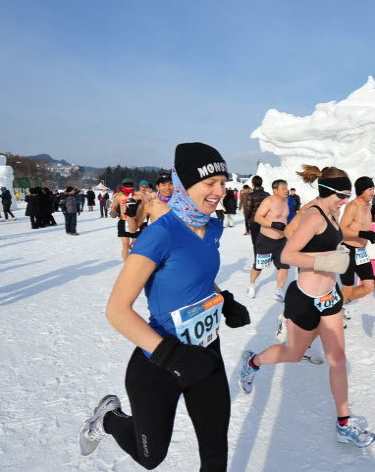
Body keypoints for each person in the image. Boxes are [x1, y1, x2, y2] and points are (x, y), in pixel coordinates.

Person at [78, 142, 250, 470]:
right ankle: (109, 419)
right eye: (210, 183)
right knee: (150, 457)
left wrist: (224, 300)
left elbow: (195, 276)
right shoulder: (160, 235)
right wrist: (172, 355)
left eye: (223, 182)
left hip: (205, 354)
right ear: (185, 184)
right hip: (159, 363)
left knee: (215, 450)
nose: (220, 191)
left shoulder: (212, 227)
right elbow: (116, 309)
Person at [238, 164, 375, 448]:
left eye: (348, 195)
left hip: (330, 297)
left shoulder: (332, 212)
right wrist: (324, 262)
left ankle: (344, 423)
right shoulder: (313, 215)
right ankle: (252, 362)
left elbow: (326, 243)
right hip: (304, 299)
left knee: (337, 359)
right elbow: (288, 254)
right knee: (293, 353)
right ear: (327, 191)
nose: (345, 200)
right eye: (341, 194)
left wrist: (343, 248)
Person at [339, 176, 375, 316]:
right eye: (370, 189)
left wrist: (370, 234)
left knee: (369, 287)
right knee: (347, 288)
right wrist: (363, 234)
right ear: (361, 190)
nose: (373, 192)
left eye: (373, 188)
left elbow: (362, 227)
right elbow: (342, 229)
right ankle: (334, 312)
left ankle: (337, 304)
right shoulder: (352, 206)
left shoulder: (369, 207)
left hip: (361, 252)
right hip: (347, 251)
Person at [246, 179, 290, 301]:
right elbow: (258, 217)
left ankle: (279, 291)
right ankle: (251, 285)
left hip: (282, 240)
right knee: (259, 266)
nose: (286, 190)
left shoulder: (286, 201)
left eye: (286, 188)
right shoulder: (269, 201)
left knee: (284, 266)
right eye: (283, 188)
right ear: (275, 190)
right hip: (267, 239)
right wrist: (273, 224)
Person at [110, 179, 143, 260]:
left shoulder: (138, 196)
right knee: (125, 245)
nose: (129, 187)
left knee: (137, 244)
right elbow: (114, 206)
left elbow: (142, 209)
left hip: (135, 222)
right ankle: (126, 262)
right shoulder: (119, 197)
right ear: (123, 187)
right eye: (127, 186)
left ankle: (136, 261)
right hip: (124, 221)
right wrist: (113, 212)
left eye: (131, 186)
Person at [243, 176, 269, 248]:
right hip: (265, 220)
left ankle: (257, 258)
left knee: (256, 242)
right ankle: (266, 257)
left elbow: (248, 209)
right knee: (266, 241)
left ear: (253, 184)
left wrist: (247, 218)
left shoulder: (250, 195)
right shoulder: (267, 195)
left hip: (254, 220)